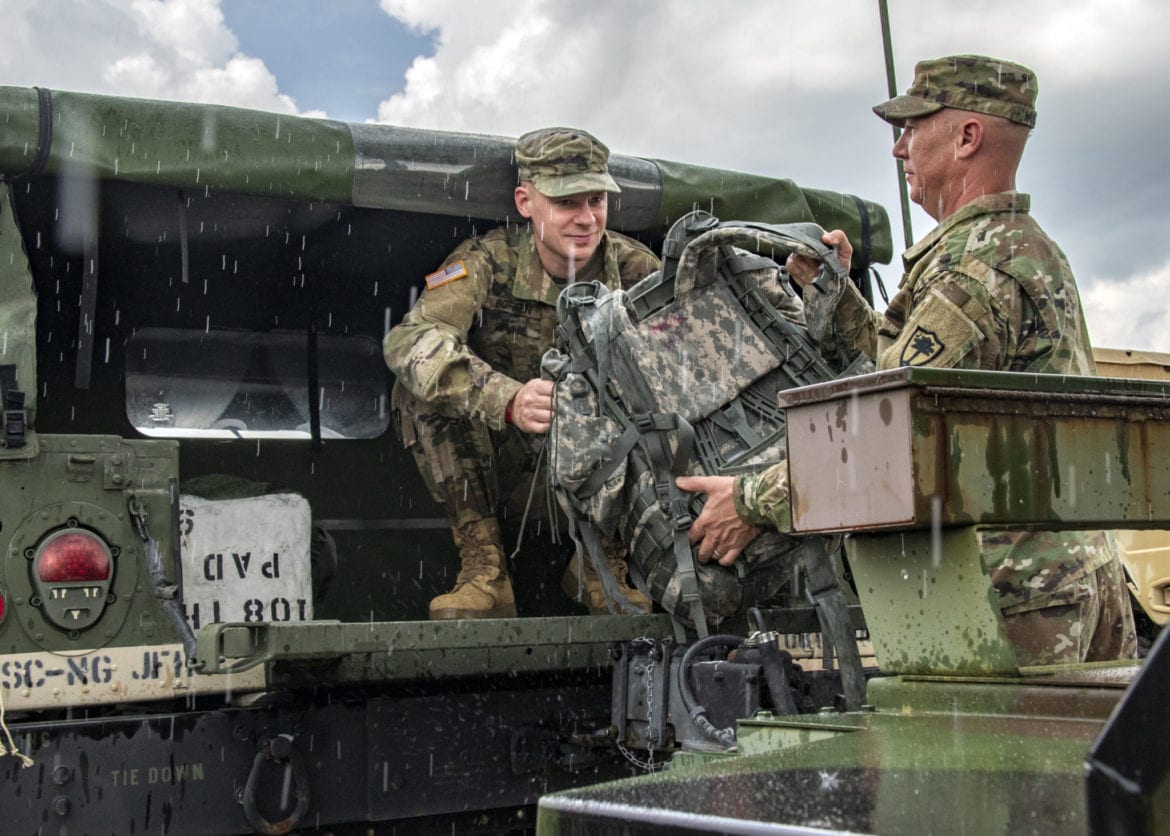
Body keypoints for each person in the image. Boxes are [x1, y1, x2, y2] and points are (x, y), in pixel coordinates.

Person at [678, 54, 1136, 666]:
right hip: (1066, 576)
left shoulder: (975, 271)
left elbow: (884, 434)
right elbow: (910, 372)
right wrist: (834, 293)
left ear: (967, 138)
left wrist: (752, 500)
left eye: (912, 129)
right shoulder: (1013, 248)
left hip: (1015, 595)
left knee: (990, 763)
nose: (899, 150)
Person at [385, 127, 659, 620]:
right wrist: (505, 398)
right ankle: (483, 571)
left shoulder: (637, 270)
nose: (585, 219)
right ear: (525, 201)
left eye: (596, 200)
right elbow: (410, 340)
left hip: (603, 471)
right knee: (417, 390)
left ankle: (600, 564)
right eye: (566, 202)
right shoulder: (484, 260)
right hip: (503, 466)